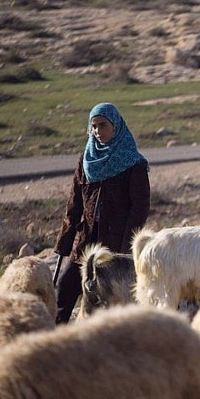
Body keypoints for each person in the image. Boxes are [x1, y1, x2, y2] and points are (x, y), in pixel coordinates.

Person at [52, 102, 150, 324]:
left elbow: (139, 208)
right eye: (93, 126)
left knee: (105, 300)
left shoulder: (133, 163)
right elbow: (74, 203)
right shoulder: (87, 161)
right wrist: (64, 242)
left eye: (102, 125)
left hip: (114, 245)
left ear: (116, 126)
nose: (97, 131)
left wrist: (126, 249)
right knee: (65, 290)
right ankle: (56, 343)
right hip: (85, 240)